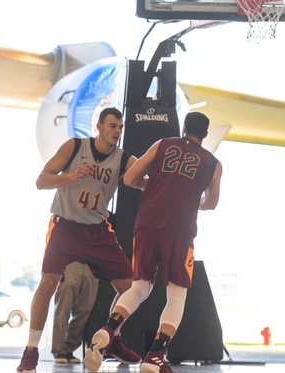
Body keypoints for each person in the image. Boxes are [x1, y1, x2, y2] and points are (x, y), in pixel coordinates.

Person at [86, 111, 223, 373]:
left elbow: (129, 179)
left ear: (183, 128)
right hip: (180, 230)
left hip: (147, 224)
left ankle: (109, 328)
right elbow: (212, 203)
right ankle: (156, 355)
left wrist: (152, 187)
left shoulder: (162, 145)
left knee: (139, 287)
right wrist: (193, 200)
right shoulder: (214, 164)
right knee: (176, 295)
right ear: (206, 134)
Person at [17, 107, 142, 373]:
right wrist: (72, 175)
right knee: (48, 283)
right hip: (66, 227)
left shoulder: (123, 159)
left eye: (120, 128)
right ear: (99, 127)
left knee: (131, 288)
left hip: (97, 230)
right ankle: (31, 351)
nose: (117, 132)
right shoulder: (74, 147)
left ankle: (113, 337)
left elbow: (145, 179)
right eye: (112, 126)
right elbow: (41, 181)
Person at [51, 259, 99, 364]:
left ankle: (69, 348)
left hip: (93, 263)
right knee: (63, 307)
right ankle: (59, 350)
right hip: (71, 260)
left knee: (85, 309)